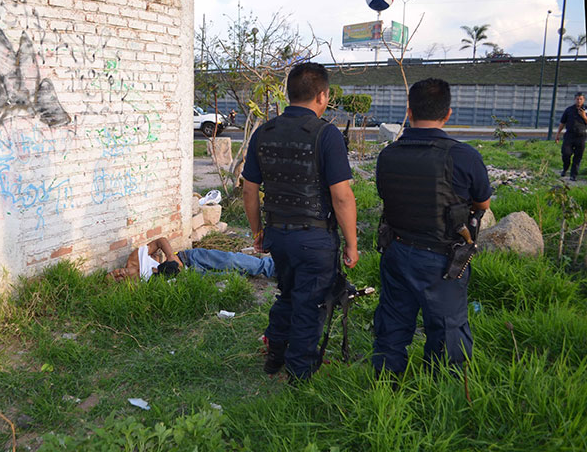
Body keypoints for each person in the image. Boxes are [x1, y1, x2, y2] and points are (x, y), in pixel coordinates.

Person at [242, 62, 359, 382]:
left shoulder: (263, 132)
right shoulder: (326, 134)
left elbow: (249, 190)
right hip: (314, 238)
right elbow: (342, 197)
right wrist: (352, 244)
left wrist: (257, 232)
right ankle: (299, 374)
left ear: (288, 93)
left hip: (278, 234)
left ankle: (275, 355)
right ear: (322, 96)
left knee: (288, 294)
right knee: (312, 303)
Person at [372, 78, 492, 378]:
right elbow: (483, 203)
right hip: (443, 260)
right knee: (448, 330)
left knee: (392, 324)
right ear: (448, 114)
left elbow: (385, 195)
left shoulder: (388, 155)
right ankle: (442, 390)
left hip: (397, 250)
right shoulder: (464, 156)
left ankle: (385, 385)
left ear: (409, 112)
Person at [108, 237, 276, 281]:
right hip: (187, 277)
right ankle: (248, 273)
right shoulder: (137, 285)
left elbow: (160, 241)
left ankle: (273, 267)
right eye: (117, 278)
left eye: (114, 272)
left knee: (231, 260)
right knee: (230, 277)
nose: (118, 273)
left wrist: (171, 257)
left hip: (188, 258)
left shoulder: (135, 257)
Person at [555, 92, 587, 181]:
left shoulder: (585, 110)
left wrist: (584, 116)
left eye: (581, 99)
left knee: (578, 156)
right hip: (569, 135)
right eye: (577, 99)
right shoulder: (569, 110)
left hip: (581, 136)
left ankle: (573, 175)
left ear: (583, 100)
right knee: (566, 153)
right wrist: (557, 134)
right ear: (574, 99)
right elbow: (562, 123)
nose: (579, 101)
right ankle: (565, 168)